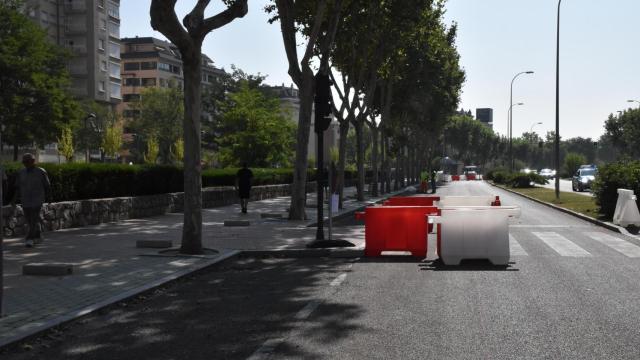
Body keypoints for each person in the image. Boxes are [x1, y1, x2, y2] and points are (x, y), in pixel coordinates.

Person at [13, 153, 51, 247]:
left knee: (34, 218)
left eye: (27, 161)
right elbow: (18, 187)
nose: (25, 163)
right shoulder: (21, 172)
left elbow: (47, 186)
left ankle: (29, 239)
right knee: (30, 220)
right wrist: (14, 199)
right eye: (24, 162)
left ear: (33, 161)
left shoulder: (41, 171)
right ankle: (38, 235)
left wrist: (49, 197)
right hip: (25, 199)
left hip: (37, 199)